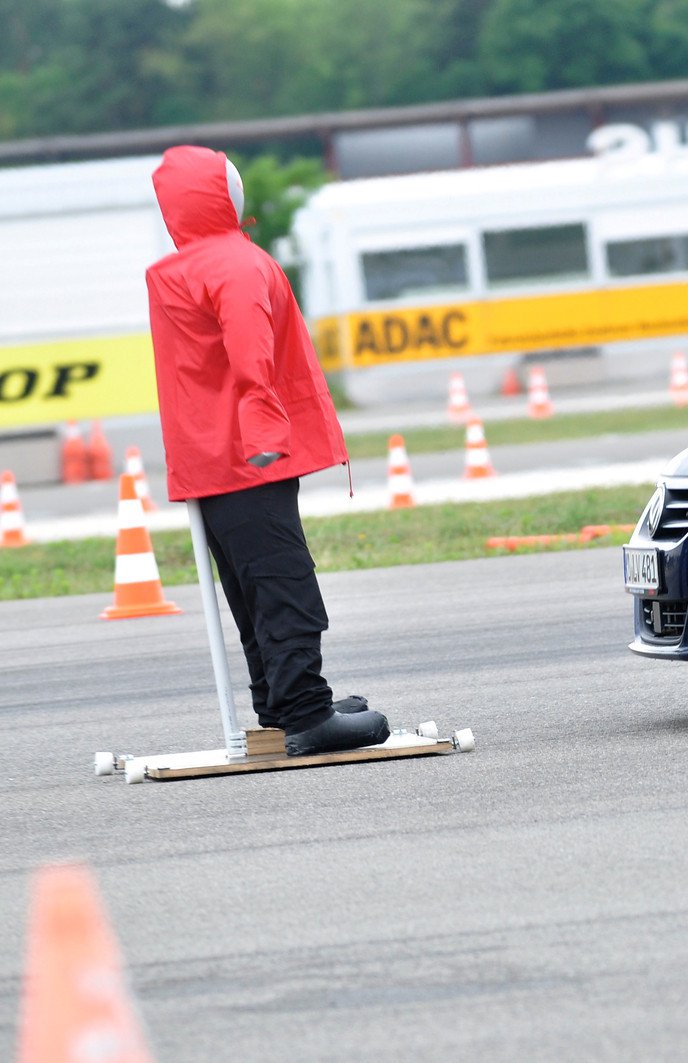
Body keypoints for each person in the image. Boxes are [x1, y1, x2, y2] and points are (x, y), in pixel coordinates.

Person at [145, 145, 390, 757]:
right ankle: (307, 715)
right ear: (222, 197)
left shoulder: (183, 266)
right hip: (247, 456)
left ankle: (282, 703)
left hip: (210, 457)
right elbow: (250, 351)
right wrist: (262, 436)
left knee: (252, 592)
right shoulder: (234, 263)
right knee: (285, 585)